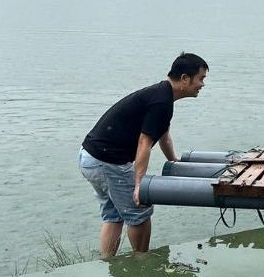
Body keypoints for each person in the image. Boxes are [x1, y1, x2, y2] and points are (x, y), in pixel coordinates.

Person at [78, 53, 208, 258]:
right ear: (185, 78)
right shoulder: (162, 101)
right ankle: (142, 263)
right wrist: (139, 186)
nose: (202, 84)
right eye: (201, 78)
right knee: (140, 212)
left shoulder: (161, 96)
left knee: (113, 216)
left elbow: (163, 136)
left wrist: (173, 160)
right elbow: (144, 143)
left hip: (90, 158)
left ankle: (106, 262)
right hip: (107, 161)